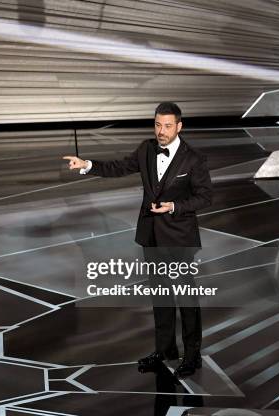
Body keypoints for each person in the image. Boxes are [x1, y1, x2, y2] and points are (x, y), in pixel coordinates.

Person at [63, 102, 213, 378]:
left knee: (186, 299)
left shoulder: (194, 159)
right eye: (157, 124)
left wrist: (174, 206)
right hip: (151, 237)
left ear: (179, 127)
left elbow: (205, 196)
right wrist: (87, 165)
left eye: (168, 125)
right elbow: (119, 167)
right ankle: (164, 350)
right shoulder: (146, 148)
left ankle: (192, 356)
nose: (161, 131)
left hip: (178, 240)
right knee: (161, 296)